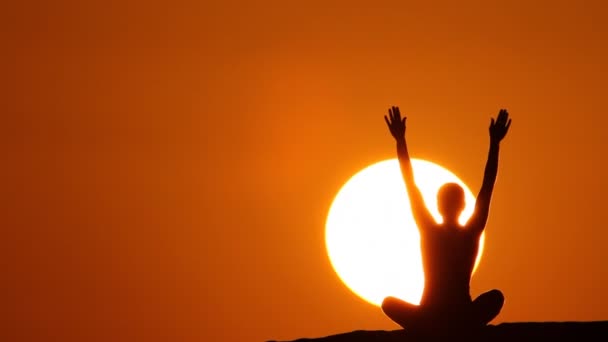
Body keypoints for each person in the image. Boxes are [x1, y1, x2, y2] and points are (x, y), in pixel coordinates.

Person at [382, 107, 511, 334]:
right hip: (452, 314)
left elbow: (410, 185)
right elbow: (486, 186)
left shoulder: (437, 229)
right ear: (463, 205)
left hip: (432, 316)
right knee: (495, 297)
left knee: (388, 303)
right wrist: (495, 144)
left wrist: (401, 141)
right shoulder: (465, 231)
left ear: (440, 205)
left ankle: (434, 327)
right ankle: (458, 326)